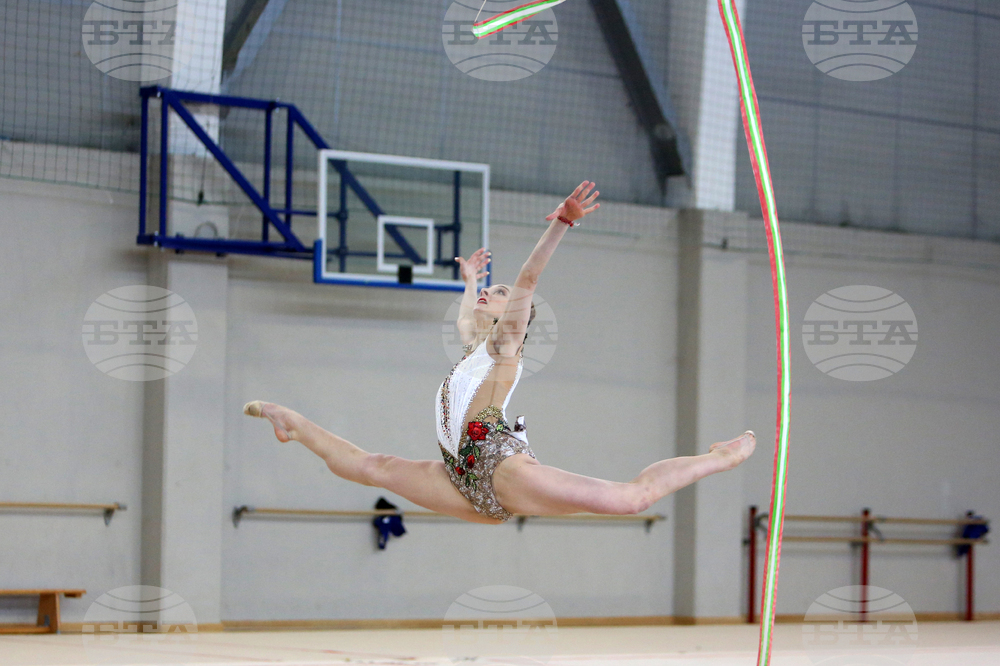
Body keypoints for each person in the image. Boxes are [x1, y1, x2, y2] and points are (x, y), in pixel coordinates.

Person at [244, 181, 755, 526]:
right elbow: (469, 317)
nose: (495, 292)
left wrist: (562, 223)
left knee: (629, 499)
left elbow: (530, 279)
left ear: (519, 316)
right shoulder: (474, 346)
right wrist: (471, 282)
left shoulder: (507, 343)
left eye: (501, 291)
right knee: (372, 466)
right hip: (459, 472)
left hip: (497, 465)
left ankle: (719, 459)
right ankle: (289, 419)